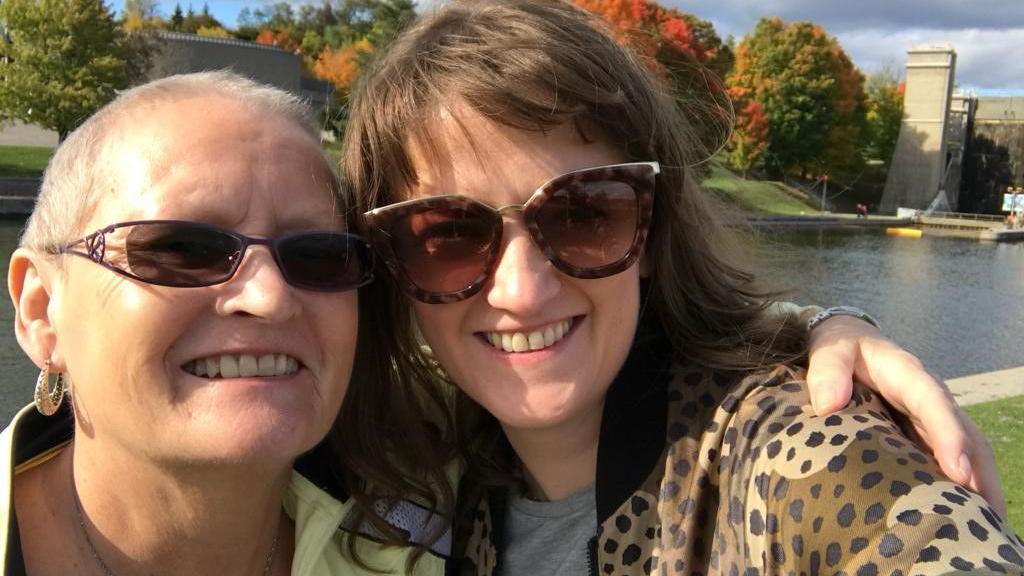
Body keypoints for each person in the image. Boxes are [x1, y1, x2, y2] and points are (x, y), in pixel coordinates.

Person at [344, 1, 1024, 573]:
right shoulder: (420, 470)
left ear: (650, 229)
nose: (520, 290)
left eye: (584, 213)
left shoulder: (795, 454)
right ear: (392, 267)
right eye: (449, 236)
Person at [1, 72, 453, 576]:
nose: (268, 297)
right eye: (183, 250)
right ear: (41, 310)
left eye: (320, 255)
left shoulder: (429, 540)